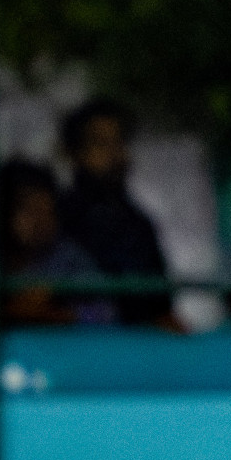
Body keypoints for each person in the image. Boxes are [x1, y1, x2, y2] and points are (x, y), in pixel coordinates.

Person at [57, 97, 172, 326]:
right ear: (75, 152)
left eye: (119, 141)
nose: (114, 153)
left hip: (137, 351)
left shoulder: (138, 223)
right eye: (101, 143)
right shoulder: (59, 219)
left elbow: (161, 305)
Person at [0, 159, 113, 326]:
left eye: (47, 211)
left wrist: (52, 314)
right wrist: (10, 311)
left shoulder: (68, 259)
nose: (41, 221)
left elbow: (106, 315)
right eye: (30, 210)